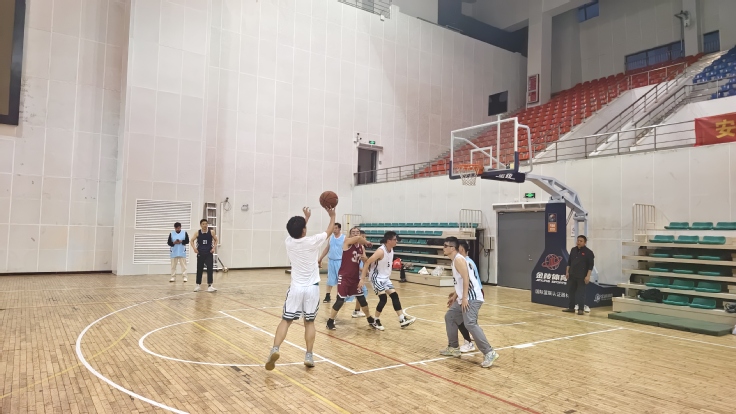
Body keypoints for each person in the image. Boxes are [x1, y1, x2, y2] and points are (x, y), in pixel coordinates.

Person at [266, 206, 335, 370]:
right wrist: (332, 215)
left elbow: (298, 232)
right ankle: (309, 355)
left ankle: (275, 349)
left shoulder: (289, 242)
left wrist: (305, 219)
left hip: (296, 288)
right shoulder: (312, 241)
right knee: (309, 322)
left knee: (286, 320)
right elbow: (329, 230)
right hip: (311, 289)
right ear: (304, 230)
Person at [440, 237, 499, 368]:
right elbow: (461, 281)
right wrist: (456, 295)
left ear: (452, 248)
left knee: (470, 323)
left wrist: (465, 298)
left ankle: (489, 352)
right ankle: (453, 348)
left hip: (472, 297)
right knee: (450, 316)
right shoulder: (455, 260)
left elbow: (467, 279)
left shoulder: (459, 260)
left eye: (445, 246)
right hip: (464, 297)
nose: (443, 248)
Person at [326, 226, 381, 330]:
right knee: (340, 300)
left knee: (362, 299)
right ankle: (330, 321)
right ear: (350, 234)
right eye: (353, 232)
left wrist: (364, 261)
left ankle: (370, 319)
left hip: (355, 278)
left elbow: (366, 261)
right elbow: (358, 239)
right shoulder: (347, 242)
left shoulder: (361, 247)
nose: (355, 233)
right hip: (344, 277)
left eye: (357, 232)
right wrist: (367, 242)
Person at [361, 231, 416, 330]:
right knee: (383, 298)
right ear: (388, 241)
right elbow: (368, 262)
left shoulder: (391, 250)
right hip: (376, 278)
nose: (396, 241)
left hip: (385, 278)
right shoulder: (381, 251)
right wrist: (362, 279)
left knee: (394, 295)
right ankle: (376, 321)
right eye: (395, 239)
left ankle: (402, 319)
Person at [456, 240, 482, 353]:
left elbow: (467, 281)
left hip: (473, 294)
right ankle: (470, 339)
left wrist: (464, 297)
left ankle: (472, 343)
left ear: (461, 249)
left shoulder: (465, 262)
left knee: (468, 321)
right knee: (459, 318)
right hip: (469, 293)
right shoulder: (466, 261)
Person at [562, 235, 595, 315]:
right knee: (571, 292)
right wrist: (567, 272)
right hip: (572, 274)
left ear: (585, 242)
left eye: (581, 241)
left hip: (581, 276)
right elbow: (569, 262)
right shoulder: (573, 250)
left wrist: (588, 276)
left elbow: (590, 266)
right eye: (578, 241)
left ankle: (581, 309)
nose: (578, 242)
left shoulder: (589, 252)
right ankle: (571, 307)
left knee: (581, 293)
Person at [345, 230, 370, 317]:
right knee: (345, 296)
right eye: (363, 237)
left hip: (358, 275)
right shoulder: (349, 246)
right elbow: (349, 263)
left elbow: (365, 260)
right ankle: (333, 316)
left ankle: (356, 310)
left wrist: (366, 269)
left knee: (362, 292)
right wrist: (361, 269)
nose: (364, 239)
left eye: (365, 237)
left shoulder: (361, 247)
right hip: (351, 274)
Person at [190, 219, 218, 292]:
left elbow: (216, 240)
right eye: (203, 224)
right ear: (201, 225)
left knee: (210, 269)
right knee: (199, 269)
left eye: (206, 224)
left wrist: (214, 248)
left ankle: (210, 285)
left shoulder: (211, 232)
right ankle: (198, 285)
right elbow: (191, 240)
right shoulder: (198, 233)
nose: (205, 225)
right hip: (200, 253)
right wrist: (194, 248)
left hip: (209, 253)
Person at [319, 223, 344, 303]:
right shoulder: (330, 238)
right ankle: (327, 296)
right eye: (333, 228)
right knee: (330, 279)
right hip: (331, 261)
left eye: (336, 228)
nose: (334, 230)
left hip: (340, 261)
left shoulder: (344, 238)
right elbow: (327, 248)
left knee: (340, 280)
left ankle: (339, 296)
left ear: (339, 229)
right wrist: (320, 258)